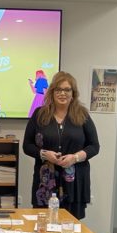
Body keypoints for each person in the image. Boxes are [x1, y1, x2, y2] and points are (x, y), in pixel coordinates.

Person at [22, 71, 100, 219]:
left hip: (74, 183)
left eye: (67, 89)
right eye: (58, 89)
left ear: (73, 93)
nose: (62, 93)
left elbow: (94, 146)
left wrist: (75, 158)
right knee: (43, 227)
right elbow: (27, 145)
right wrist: (45, 154)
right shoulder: (39, 114)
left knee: (70, 227)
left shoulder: (82, 115)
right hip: (45, 183)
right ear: (52, 92)